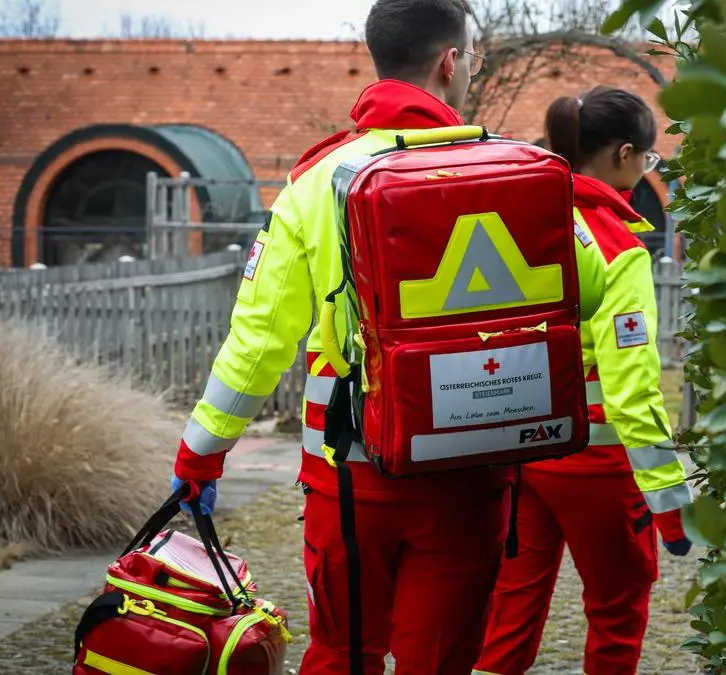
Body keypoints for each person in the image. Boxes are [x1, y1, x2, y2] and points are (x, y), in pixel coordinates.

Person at [167, 1, 605, 673]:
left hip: (348, 474)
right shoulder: (514, 170)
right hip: (470, 467)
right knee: (440, 660)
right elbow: (591, 289)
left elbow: (257, 343)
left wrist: (201, 453)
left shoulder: (313, 183)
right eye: (472, 59)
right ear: (450, 63)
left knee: (343, 652)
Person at [473, 86, 695, 675]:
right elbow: (631, 388)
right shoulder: (618, 248)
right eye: (647, 158)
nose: (645, 168)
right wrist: (670, 504)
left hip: (517, 452)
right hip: (595, 461)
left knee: (508, 614)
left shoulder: (515, 224)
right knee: (617, 610)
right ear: (624, 154)